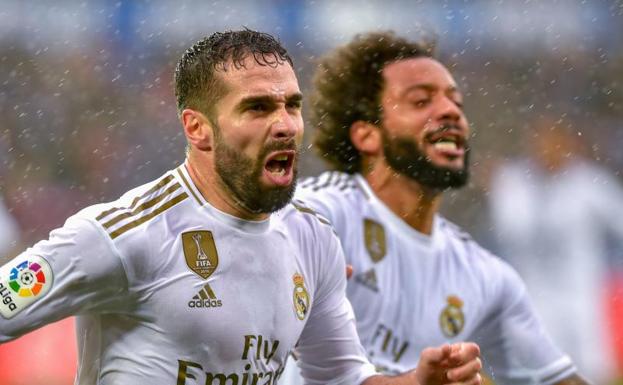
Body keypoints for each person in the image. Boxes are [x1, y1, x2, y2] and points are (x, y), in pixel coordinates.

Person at [0, 29, 482, 385]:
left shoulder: (312, 239)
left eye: (291, 105)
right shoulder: (126, 234)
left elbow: (341, 379)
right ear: (197, 128)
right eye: (257, 108)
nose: (287, 125)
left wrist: (416, 381)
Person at [282, 31, 589, 385]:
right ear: (367, 135)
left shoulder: (484, 276)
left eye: (455, 101)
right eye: (421, 101)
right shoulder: (317, 215)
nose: (450, 111)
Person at [488, 117, 623, 383]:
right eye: (540, 141)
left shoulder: (588, 183)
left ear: (568, 144)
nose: (547, 149)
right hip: (533, 298)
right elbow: (505, 233)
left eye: (554, 141)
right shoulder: (513, 182)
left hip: (581, 296)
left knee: (592, 370)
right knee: (538, 372)